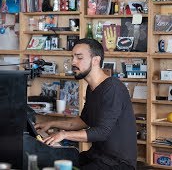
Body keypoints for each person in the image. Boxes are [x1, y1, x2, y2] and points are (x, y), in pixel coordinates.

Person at [35, 38, 137, 169]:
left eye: (79, 58)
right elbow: (84, 120)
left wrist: (64, 134)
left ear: (96, 60)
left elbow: (102, 132)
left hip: (118, 163)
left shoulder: (113, 88)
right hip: (98, 156)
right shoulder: (91, 88)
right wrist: (51, 123)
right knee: (54, 161)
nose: (73, 62)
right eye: (73, 57)